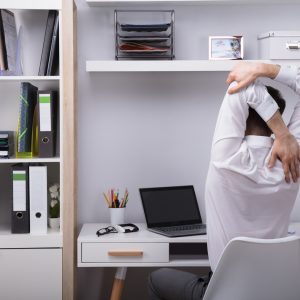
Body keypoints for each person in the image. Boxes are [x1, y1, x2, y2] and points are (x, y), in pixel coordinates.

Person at [148, 63, 300, 300]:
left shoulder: (226, 157)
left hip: (225, 293)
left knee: (156, 278)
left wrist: (254, 69)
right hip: (276, 291)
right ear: (276, 115)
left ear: (242, 115)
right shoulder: (293, 161)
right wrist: (284, 134)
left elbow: (240, 89)